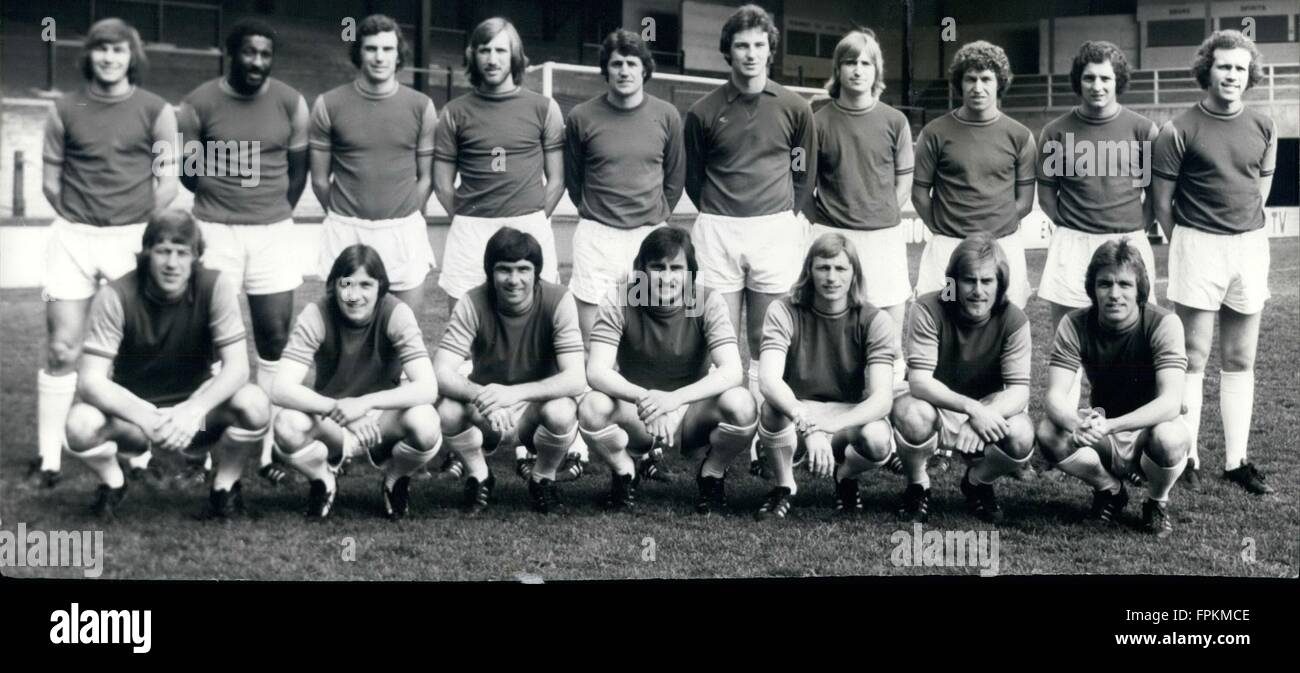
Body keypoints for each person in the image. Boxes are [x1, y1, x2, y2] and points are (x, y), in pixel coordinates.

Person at [35, 17, 178, 489]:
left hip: (131, 239)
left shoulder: (156, 110)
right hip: (73, 239)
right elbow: (51, 183)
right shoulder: (64, 109)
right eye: (101, 50)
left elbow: (168, 183)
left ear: (132, 56)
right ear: (89, 55)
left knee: (135, 350)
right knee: (62, 349)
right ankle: (49, 457)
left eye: (118, 50)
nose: (109, 58)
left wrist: (133, 226)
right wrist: (82, 217)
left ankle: (139, 453)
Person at [65, 210, 269, 520]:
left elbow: (238, 368)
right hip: (135, 421)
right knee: (79, 424)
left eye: (182, 252)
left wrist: (192, 411)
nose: (172, 263)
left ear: (196, 256)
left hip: (197, 418)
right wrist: (146, 417)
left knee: (254, 403)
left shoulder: (215, 286)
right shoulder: (116, 294)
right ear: (147, 254)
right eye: (162, 251)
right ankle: (113, 483)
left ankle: (225, 488)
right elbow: (90, 381)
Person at [176, 19, 310, 485]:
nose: (256, 62)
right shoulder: (197, 103)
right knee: (213, 340)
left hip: (272, 233)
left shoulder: (291, 102)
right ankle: (209, 443)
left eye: (264, 54)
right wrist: (229, 199)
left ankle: (271, 449)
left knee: (274, 338)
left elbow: (297, 174)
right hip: (214, 232)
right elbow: (188, 176)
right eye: (248, 53)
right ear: (229, 55)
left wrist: (270, 211)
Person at [1152, 30, 1278, 495]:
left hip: (1248, 246)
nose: (1232, 75)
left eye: (1241, 68)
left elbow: (1259, 192)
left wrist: (1241, 230)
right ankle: (1187, 456)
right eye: (1224, 66)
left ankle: (1236, 460)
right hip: (1197, 244)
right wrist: (1191, 240)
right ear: (1207, 70)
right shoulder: (1178, 129)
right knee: (1193, 357)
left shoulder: (1265, 125)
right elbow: (1162, 203)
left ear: (1251, 75)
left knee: (1240, 358)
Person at [684, 4, 816, 440]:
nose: (751, 53)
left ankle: (768, 433)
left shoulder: (795, 108)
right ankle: (713, 422)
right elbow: (693, 177)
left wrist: (784, 212)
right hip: (719, 229)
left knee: (765, 337)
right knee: (716, 334)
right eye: (742, 45)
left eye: (759, 45)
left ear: (770, 50)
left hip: (774, 230)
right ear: (728, 51)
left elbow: (803, 170)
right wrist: (723, 209)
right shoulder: (703, 111)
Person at [580, 227, 756, 512]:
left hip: (690, 411)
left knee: (742, 404)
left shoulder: (702, 299)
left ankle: (712, 473)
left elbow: (733, 370)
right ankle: (625, 470)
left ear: (690, 272)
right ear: (641, 270)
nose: (667, 276)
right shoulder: (622, 297)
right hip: (639, 410)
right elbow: (597, 371)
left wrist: (674, 400)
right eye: (657, 267)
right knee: (592, 406)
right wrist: (649, 399)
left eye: (676, 268)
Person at [271, 245, 442, 520]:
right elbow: (280, 388)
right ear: (333, 286)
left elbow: (427, 387)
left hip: (381, 420)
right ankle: (323, 479)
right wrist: (340, 409)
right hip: (333, 419)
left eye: (366, 285)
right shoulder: (317, 313)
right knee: (287, 424)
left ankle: (395, 478)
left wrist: (364, 404)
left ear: (381, 288)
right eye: (346, 284)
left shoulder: (395, 312)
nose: (355, 295)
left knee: (426, 421)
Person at [1037, 40, 1159, 413]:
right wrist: (1075, 224)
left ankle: (1135, 427)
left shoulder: (1143, 130)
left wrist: (1136, 225)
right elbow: (1047, 194)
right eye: (1089, 77)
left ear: (1117, 79)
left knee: (1136, 338)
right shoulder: (1056, 132)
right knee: (1068, 337)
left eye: (1105, 77)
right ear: (1079, 80)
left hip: (1128, 242)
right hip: (1072, 243)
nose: (1097, 85)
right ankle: (1065, 430)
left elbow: (1155, 189)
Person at [1037, 240, 1189, 537]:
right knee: (1048, 432)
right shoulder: (1074, 323)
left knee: (1170, 437)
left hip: (1150, 428)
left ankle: (1157, 502)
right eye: (1104, 283)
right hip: (1104, 427)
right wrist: (1077, 423)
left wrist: (1111, 425)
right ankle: (1110, 490)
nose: (1114, 294)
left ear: (1140, 289)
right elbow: (1054, 395)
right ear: (1092, 288)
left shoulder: (1164, 322)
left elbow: (1171, 402)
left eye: (1124, 284)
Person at [433, 228, 586, 514]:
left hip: (534, 409)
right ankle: (479, 476)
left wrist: (512, 394)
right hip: (488, 407)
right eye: (504, 270)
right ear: (490, 272)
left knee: (562, 410)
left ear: (536, 273)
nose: (514, 280)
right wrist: (483, 396)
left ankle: (543, 478)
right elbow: (440, 370)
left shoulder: (558, 299)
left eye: (523, 270)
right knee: (448, 410)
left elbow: (576, 377)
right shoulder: (473, 301)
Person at [891, 235, 1035, 523]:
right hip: (938, 406)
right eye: (969, 280)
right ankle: (918, 484)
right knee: (910, 412)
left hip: (986, 408)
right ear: (953, 281)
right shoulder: (929, 306)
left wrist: (984, 412)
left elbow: (1019, 392)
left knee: (1022, 435)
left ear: (1001, 284)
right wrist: (973, 409)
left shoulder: (1014, 318)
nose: (978, 290)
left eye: (987, 281)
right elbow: (919, 381)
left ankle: (977, 483)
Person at [756, 233, 896, 518]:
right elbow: (769, 381)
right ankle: (785, 486)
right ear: (809, 271)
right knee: (771, 410)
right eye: (823, 267)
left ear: (854, 274)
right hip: (797, 411)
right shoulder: (783, 310)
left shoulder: (875, 319)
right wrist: (809, 424)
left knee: (879, 439)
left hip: (845, 415)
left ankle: (845, 475)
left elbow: (882, 399)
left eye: (841, 268)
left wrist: (828, 426)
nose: (832, 277)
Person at [309, 13, 438, 319]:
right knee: (341, 331)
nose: (379, 57)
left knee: (403, 329)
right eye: (371, 49)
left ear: (398, 55)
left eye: (387, 49)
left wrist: (403, 213)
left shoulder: (421, 106)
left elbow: (426, 177)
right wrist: (346, 214)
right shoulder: (328, 104)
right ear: (359, 53)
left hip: (403, 230)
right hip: (346, 229)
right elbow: (318, 179)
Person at [433, 17, 565, 307]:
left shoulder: (544, 108)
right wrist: (466, 217)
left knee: (538, 319)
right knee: (464, 321)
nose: (492, 59)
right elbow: (441, 183)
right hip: (471, 228)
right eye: (484, 50)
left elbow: (557, 179)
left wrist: (535, 216)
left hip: (528, 223)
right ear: (473, 55)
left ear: (515, 56)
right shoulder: (453, 112)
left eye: (501, 51)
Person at [810, 28, 912, 384]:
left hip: (883, 234)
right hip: (833, 233)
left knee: (888, 311)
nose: (857, 69)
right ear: (838, 69)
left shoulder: (895, 120)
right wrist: (826, 224)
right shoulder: (817, 120)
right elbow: (804, 184)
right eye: (850, 62)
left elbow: (903, 181)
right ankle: (834, 388)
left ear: (876, 71)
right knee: (833, 313)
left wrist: (882, 214)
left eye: (865, 63)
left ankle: (892, 391)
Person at [912, 40, 1036, 308]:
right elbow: (920, 194)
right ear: (960, 83)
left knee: (1004, 325)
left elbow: (1025, 201)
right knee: (941, 322)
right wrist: (944, 228)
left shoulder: (1020, 136)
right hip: (948, 246)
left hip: (1003, 246)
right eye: (970, 79)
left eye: (986, 79)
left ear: (999, 82)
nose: (978, 87)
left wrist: (996, 229)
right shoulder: (934, 133)